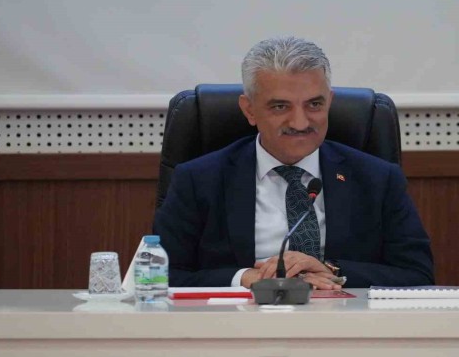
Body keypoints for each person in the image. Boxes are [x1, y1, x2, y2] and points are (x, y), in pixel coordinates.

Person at [153, 36, 434, 289]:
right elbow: (159, 276)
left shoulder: (377, 179)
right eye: (280, 106)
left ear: (329, 102)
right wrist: (242, 278)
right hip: (238, 323)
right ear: (249, 110)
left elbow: (418, 275)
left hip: (346, 323)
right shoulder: (199, 180)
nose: (300, 123)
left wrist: (332, 271)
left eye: (314, 105)